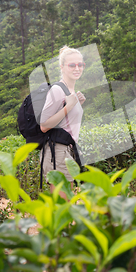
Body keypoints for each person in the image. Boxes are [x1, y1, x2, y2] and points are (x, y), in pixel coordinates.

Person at [39, 46, 86, 199]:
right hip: (57, 152)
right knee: (61, 207)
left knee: (66, 206)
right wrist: (70, 106)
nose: (77, 68)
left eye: (80, 64)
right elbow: (44, 125)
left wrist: (77, 104)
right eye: (72, 65)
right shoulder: (57, 90)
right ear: (62, 67)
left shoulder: (70, 91)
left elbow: (66, 123)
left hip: (67, 151)